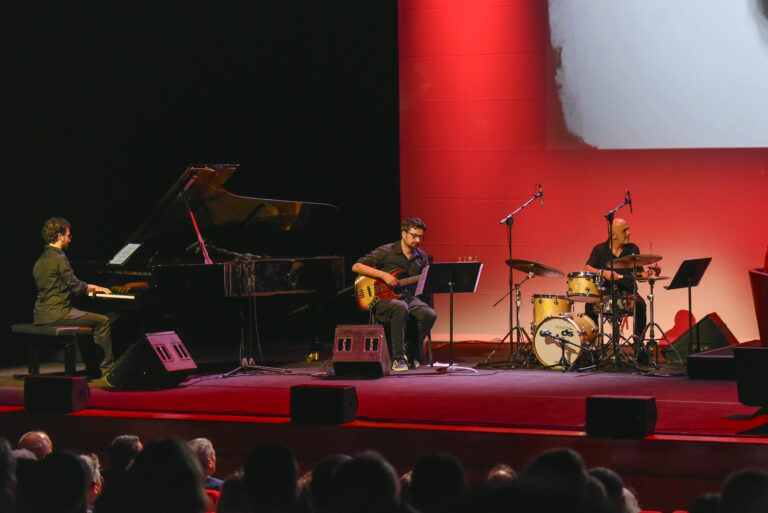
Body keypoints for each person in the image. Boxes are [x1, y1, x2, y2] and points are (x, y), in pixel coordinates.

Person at [32, 217, 114, 379]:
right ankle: (108, 371)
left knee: (86, 318)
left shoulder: (41, 259)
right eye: (68, 235)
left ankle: (92, 367)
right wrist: (96, 288)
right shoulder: (59, 258)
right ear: (60, 236)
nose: (70, 239)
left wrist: (89, 286)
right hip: (59, 314)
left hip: (41, 314)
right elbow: (76, 288)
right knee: (102, 321)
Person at [352, 218, 437, 371]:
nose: (417, 240)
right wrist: (384, 276)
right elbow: (357, 266)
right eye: (414, 236)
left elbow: (423, 283)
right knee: (400, 307)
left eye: (420, 237)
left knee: (429, 314)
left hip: (408, 298)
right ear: (404, 234)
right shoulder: (387, 251)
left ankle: (411, 353)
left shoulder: (421, 257)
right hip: (381, 299)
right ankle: (397, 359)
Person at [584, 218, 658, 347]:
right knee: (589, 306)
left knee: (640, 305)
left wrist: (651, 273)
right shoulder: (600, 249)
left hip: (628, 295)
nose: (629, 233)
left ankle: (638, 346)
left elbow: (639, 274)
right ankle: (593, 346)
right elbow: (587, 268)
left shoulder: (632, 249)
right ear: (613, 235)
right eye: (625, 230)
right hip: (605, 296)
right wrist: (603, 273)